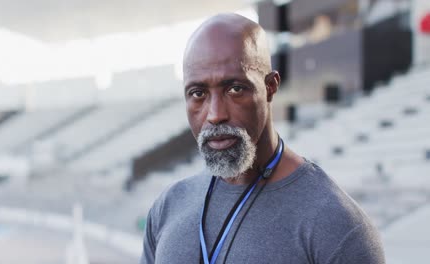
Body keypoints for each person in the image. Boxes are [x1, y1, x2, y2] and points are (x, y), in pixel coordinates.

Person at [140, 13, 385, 264]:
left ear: (270, 86)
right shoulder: (169, 206)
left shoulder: (336, 226)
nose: (215, 115)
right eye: (198, 93)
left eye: (235, 89)